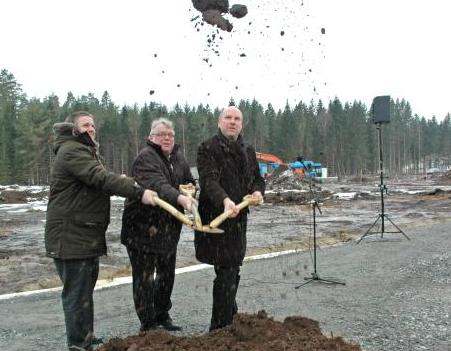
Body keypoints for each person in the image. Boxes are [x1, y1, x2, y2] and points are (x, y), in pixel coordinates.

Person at [45, 111, 157, 351]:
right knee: (77, 294)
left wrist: (120, 180)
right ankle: (78, 344)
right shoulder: (72, 151)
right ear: (74, 129)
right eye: (86, 125)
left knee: (84, 291)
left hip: (82, 234)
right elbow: (99, 178)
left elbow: (98, 180)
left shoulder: (84, 151)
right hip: (70, 236)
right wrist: (138, 191)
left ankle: (85, 336)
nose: (91, 128)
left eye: (93, 124)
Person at [121, 118, 196, 332]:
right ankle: (148, 322)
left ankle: (163, 314)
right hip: (142, 228)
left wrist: (192, 188)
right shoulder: (145, 158)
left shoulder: (178, 158)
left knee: (166, 275)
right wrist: (181, 199)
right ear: (151, 137)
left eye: (170, 135)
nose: (167, 138)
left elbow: (189, 180)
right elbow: (158, 186)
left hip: (168, 229)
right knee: (144, 278)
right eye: (162, 134)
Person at [194, 106, 265, 331]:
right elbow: (209, 181)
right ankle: (220, 328)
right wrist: (224, 200)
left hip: (239, 219)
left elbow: (257, 178)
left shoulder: (248, 149)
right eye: (228, 118)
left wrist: (257, 191)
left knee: (232, 267)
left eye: (236, 119)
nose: (232, 122)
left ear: (241, 124)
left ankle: (230, 316)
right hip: (218, 216)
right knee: (226, 269)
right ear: (219, 122)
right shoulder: (207, 148)